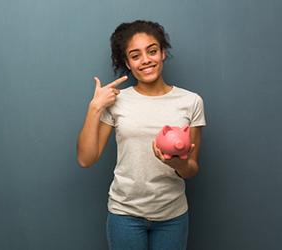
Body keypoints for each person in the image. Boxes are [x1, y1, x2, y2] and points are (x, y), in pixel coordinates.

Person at [76, 20, 206, 250]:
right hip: (125, 215)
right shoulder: (116, 101)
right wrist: (94, 107)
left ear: (163, 53)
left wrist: (177, 162)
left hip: (172, 216)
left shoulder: (191, 101)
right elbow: (86, 159)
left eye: (152, 51)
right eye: (135, 56)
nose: (146, 60)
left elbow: (191, 170)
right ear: (127, 62)